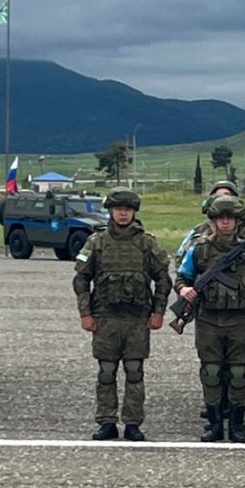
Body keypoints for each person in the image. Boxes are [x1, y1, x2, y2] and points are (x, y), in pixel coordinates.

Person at [73, 188, 172, 442]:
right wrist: (85, 313)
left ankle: (132, 423)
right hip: (105, 317)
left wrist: (158, 311)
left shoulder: (146, 243)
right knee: (106, 371)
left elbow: (162, 279)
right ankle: (106, 421)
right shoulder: (97, 243)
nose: (123, 214)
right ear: (110, 212)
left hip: (137, 319)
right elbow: (82, 279)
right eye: (119, 209)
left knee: (134, 371)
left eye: (127, 210)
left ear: (134, 212)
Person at [175, 196, 245, 443]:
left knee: (237, 373)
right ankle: (215, 424)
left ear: (237, 222)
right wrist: (184, 290)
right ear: (213, 222)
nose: (225, 223)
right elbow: (182, 277)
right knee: (212, 372)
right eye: (220, 219)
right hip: (209, 320)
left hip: (240, 320)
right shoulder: (200, 249)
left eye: (230, 219)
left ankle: (237, 424)